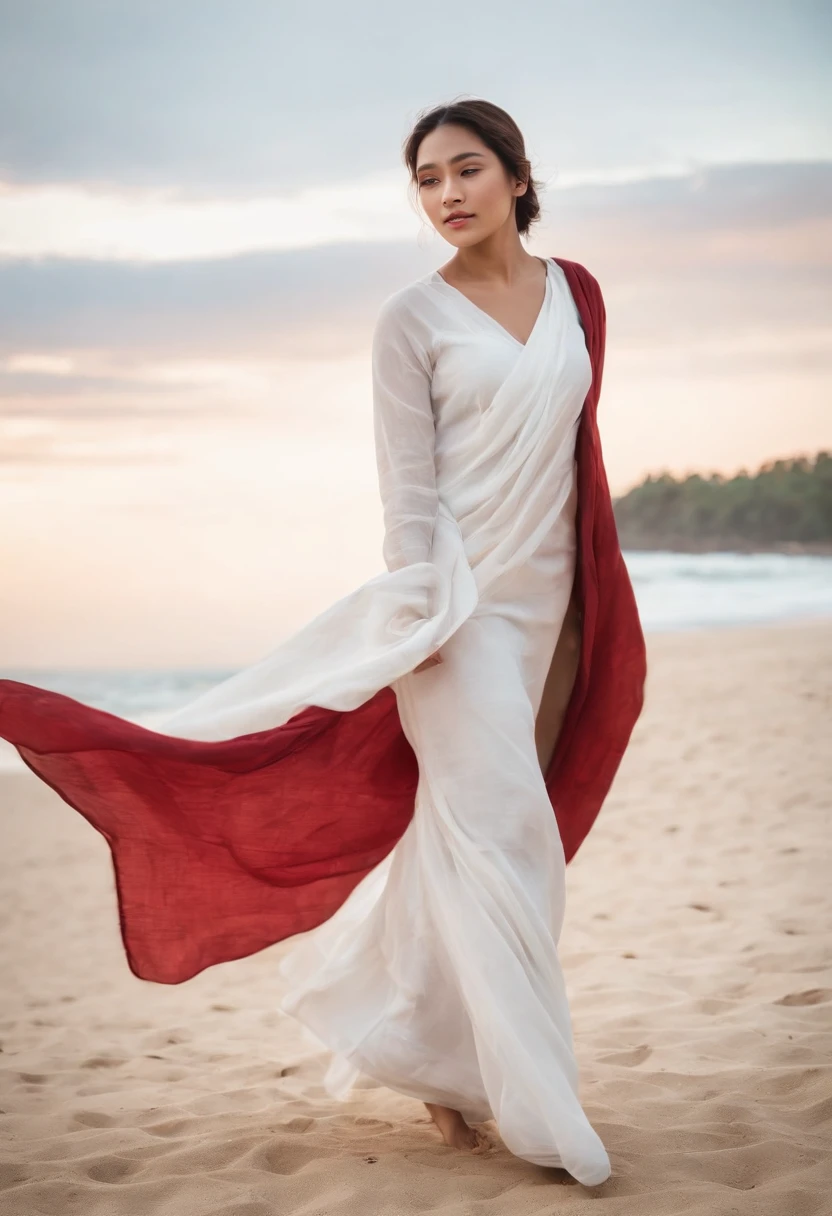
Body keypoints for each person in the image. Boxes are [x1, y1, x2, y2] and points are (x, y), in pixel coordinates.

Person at [0, 99, 646, 1188]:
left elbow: (575, 460)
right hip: (453, 616)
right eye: (426, 179)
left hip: (550, 615)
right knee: (505, 841)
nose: (446, 194)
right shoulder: (410, 320)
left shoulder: (576, 292)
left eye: (467, 170)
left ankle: (426, 1056)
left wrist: (587, 617)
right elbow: (408, 491)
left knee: (485, 843)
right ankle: (541, 1108)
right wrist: (416, 619)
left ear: (518, 178)